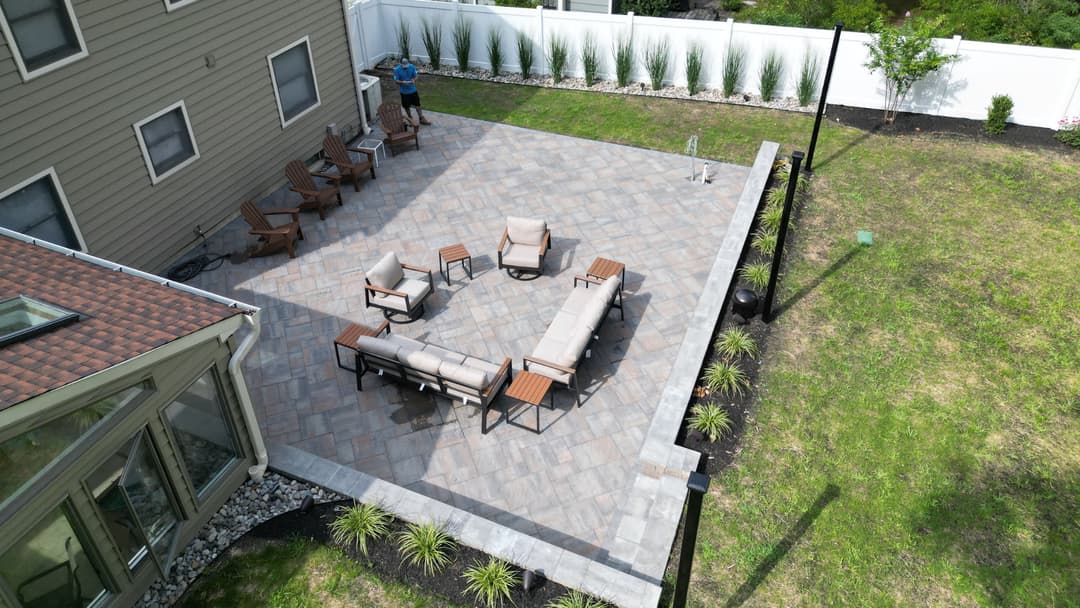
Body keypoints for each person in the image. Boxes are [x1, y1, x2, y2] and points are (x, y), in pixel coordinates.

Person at [393, 57, 430, 125]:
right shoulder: (397, 70)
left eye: (406, 65)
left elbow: (416, 76)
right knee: (406, 107)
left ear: (408, 63)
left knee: (417, 105)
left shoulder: (412, 66)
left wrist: (414, 80)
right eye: (404, 65)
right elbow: (396, 81)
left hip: (413, 90)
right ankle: (410, 119)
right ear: (400, 64)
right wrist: (402, 82)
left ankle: (421, 118)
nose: (405, 67)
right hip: (404, 92)